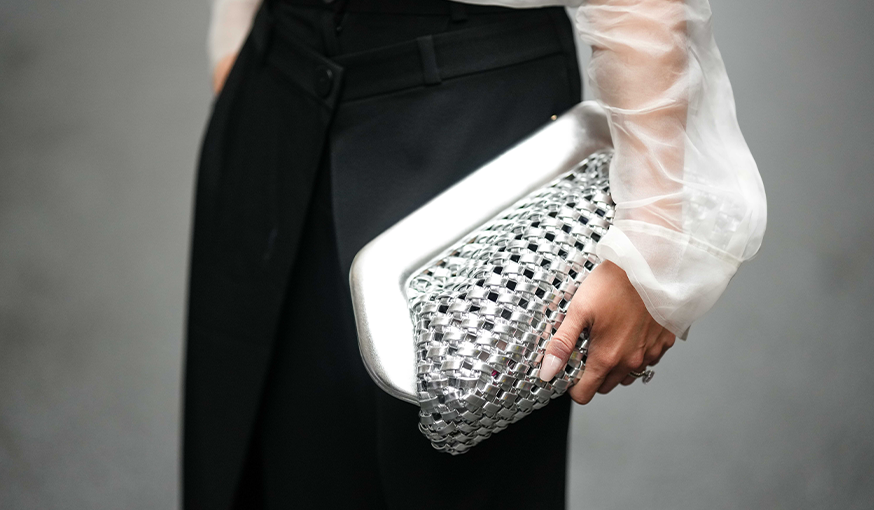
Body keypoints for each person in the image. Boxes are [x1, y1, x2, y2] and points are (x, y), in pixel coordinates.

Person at [182, 0, 767, 509]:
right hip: (274, 74)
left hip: (466, 101)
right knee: (257, 454)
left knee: (439, 481)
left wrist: (656, 238)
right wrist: (238, 38)